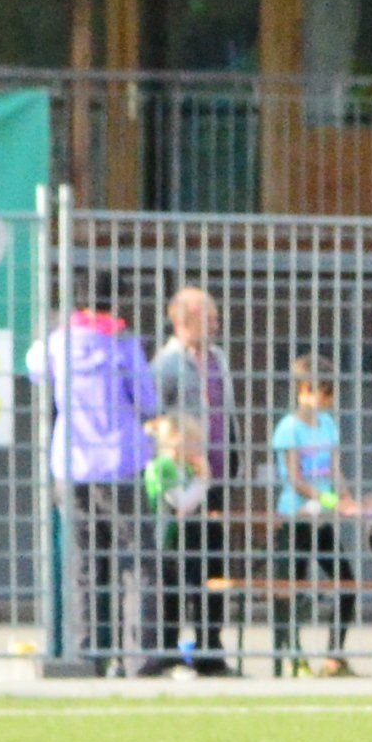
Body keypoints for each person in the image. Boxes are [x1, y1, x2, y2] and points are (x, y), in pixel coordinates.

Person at [30, 294, 155, 678]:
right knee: (137, 561)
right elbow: (148, 401)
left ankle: (85, 652)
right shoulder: (123, 345)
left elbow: (34, 369)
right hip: (120, 462)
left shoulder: (57, 343)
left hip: (70, 463)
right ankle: (137, 657)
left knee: (83, 564)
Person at [148, 283, 235, 678]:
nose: (216, 324)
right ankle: (167, 650)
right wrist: (177, 454)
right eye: (208, 318)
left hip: (214, 480)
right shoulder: (166, 364)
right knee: (172, 567)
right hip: (179, 482)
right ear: (183, 321)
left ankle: (209, 649)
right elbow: (154, 420)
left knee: (212, 565)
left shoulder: (218, 359)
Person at [266, 365, 362, 675]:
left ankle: (334, 656)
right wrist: (328, 500)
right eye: (326, 392)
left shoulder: (328, 424)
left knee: (346, 581)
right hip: (296, 519)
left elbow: (334, 470)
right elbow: (295, 478)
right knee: (291, 588)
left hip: (320, 522)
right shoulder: (288, 429)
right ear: (306, 390)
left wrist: (346, 498)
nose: (331, 400)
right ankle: (294, 657)